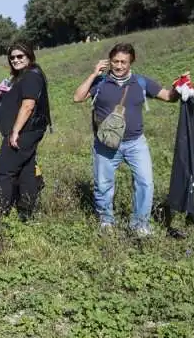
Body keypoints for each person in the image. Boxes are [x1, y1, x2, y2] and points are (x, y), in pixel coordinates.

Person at [73, 42, 186, 236]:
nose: (118, 66)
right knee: (103, 184)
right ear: (109, 61)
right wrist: (93, 74)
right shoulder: (100, 82)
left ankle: (140, 224)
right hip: (105, 144)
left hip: (135, 143)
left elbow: (167, 96)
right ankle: (106, 221)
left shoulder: (141, 82)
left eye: (123, 62)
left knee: (145, 183)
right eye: (115, 61)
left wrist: (180, 87)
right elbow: (77, 97)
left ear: (131, 61)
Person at [0, 43, 51, 225]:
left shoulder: (31, 76)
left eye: (20, 56)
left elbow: (28, 105)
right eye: (12, 57)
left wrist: (15, 131)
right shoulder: (25, 76)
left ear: (29, 56)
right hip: (27, 131)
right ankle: (26, 212)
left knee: (5, 172)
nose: (15, 60)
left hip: (24, 132)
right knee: (26, 171)